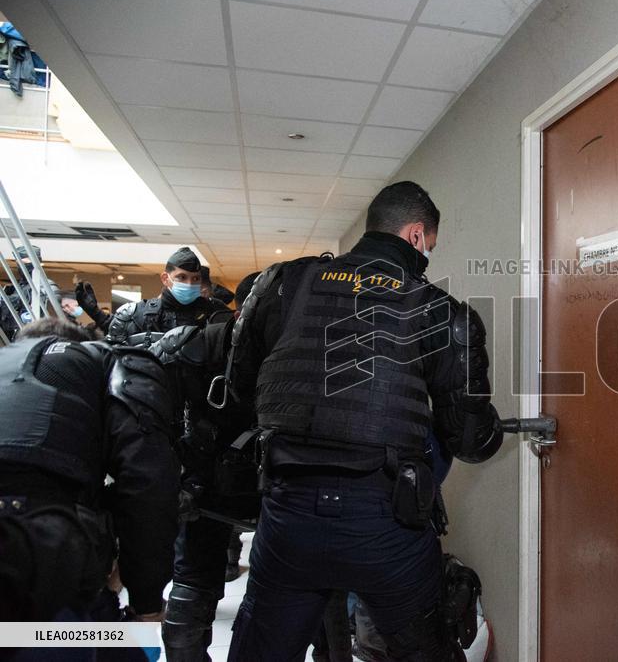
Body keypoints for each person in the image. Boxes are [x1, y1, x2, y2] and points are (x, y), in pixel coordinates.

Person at [226, 181, 504, 661]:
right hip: (387, 524)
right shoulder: (442, 311)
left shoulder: (282, 284)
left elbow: (237, 392)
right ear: (416, 236)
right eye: (430, 247)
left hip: (289, 514)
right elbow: (471, 441)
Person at [0, 317, 179, 624]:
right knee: (100, 645)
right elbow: (147, 483)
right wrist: (146, 604)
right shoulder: (98, 359)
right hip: (41, 534)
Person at [150, 272, 259, 662]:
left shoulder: (201, 339)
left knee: (196, 580)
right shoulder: (293, 347)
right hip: (219, 484)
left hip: (210, 484)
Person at [106, 247, 230, 346]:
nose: (189, 283)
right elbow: (113, 359)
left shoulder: (215, 311)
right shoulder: (136, 314)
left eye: (195, 278)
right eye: (182, 277)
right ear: (165, 278)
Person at [0, 245, 59, 341]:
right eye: (19, 262)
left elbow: (49, 310)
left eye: (27, 261)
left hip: (33, 337)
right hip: (12, 337)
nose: (23, 265)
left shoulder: (45, 286)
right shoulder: (16, 287)